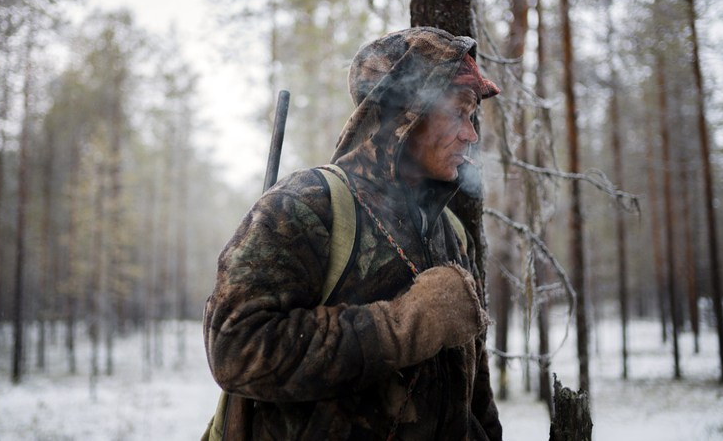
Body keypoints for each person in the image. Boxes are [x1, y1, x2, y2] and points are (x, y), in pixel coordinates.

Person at [203, 26, 503, 440]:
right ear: (405, 114)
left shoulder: (451, 232)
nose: (470, 135)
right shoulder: (306, 205)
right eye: (457, 112)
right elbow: (235, 350)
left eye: (471, 117)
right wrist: (404, 325)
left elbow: (473, 386)